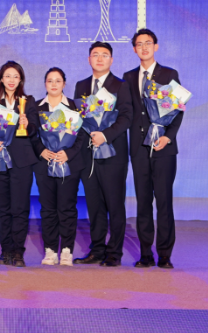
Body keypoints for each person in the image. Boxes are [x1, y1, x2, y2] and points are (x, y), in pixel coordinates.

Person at [122, 29, 183, 269]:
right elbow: (127, 112)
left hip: (163, 149)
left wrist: (168, 137)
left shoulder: (169, 74)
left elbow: (178, 110)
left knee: (164, 202)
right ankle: (145, 253)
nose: (144, 47)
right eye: (139, 44)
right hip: (139, 149)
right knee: (143, 202)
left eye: (148, 43)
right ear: (134, 49)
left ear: (156, 46)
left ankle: (165, 254)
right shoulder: (128, 77)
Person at [73, 41, 133, 267]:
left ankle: (114, 252)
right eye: (95, 54)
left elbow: (126, 117)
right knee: (94, 204)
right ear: (89, 59)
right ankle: (97, 249)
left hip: (113, 154)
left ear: (111, 60)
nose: (99, 58)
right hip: (88, 155)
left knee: (114, 204)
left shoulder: (121, 85)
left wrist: (105, 135)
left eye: (104, 55)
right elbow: (79, 118)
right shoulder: (81, 86)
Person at [0, 61, 37, 268]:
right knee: (2, 209)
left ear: (21, 79)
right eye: (8, 76)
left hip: (21, 161)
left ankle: (18, 252)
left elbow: (35, 129)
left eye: (16, 76)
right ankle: (6, 250)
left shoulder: (28, 101)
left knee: (20, 208)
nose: (11, 80)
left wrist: (27, 125)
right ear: (1, 79)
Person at [31, 67, 84, 266]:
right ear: (45, 83)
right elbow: (31, 135)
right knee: (47, 208)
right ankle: (50, 249)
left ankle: (67, 250)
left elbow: (82, 135)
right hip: (44, 164)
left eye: (58, 80)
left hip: (68, 164)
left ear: (64, 83)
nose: (54, 84)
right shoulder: (36, 107)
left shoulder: (75, 107)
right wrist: (41, 150)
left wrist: (68, 154)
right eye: (50, 81)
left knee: (67, 207)